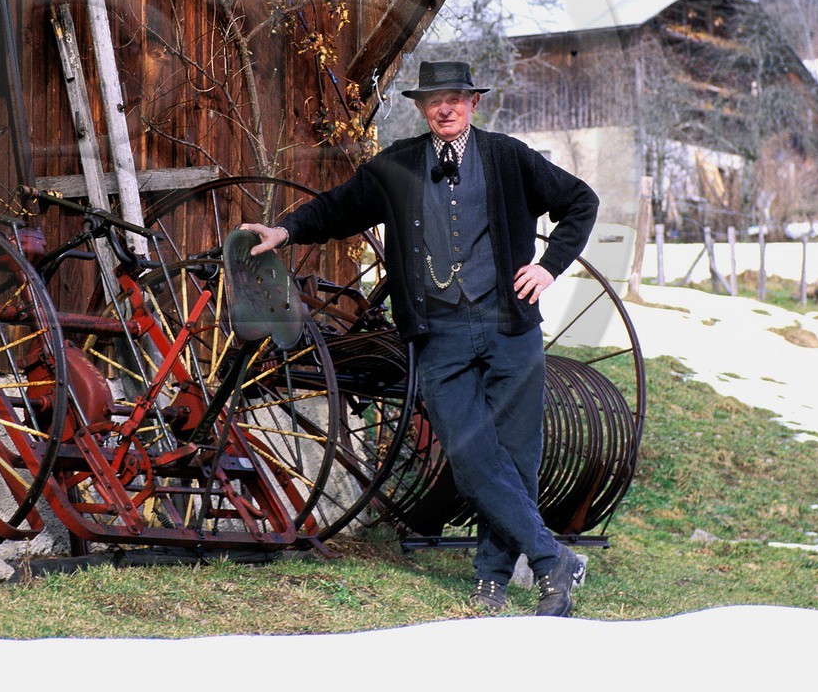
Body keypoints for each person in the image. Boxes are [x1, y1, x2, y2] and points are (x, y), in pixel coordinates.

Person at [242, 59, 598, 617]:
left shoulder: (508, 157)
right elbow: (339, 207)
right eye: (435, 100)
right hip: (442, 332)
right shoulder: (398, 166)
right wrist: (286, 230)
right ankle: (553, 560)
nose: (446, 108)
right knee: (467, 450)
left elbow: (581, 203)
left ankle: (492, 580)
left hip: (511, 327)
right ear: (421, 108)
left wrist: (550, 266)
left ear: (474, 103)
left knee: (516, 455)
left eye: (456, 97)